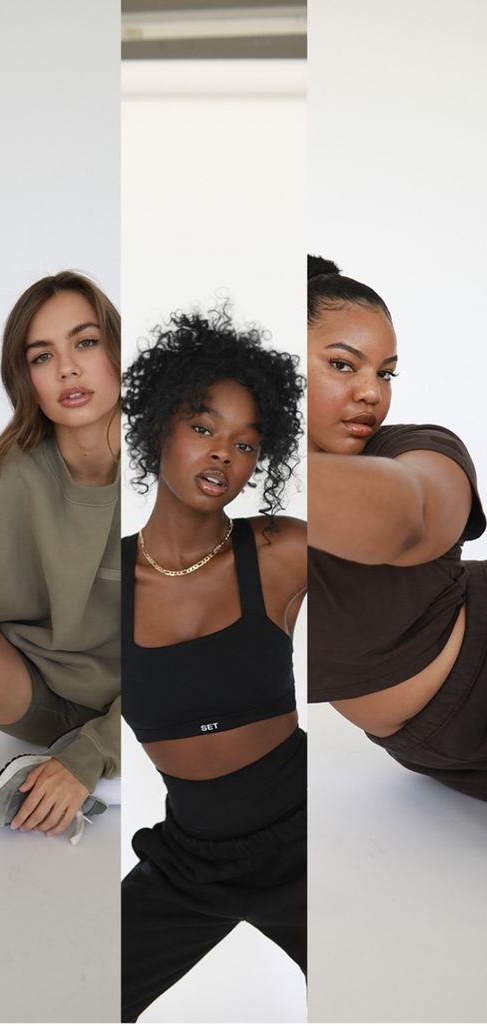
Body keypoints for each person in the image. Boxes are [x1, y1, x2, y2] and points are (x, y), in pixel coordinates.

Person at [120, 307, 307, 1022]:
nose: (224, 455)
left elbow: (399, 575)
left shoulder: (278, 553)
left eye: (247, 444)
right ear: (159, 426)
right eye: (204, 428)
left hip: (306, 840)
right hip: (190, 861)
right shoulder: (102, 586)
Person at [0, 270, 120, 839]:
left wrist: (88, 756)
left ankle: (110, 767)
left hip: (155, 707)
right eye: (42, 356)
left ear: (117, 349)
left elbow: (209, 650)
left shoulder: (177, 473)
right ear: (27, 379)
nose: (67, 368)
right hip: (35, 697)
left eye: (85, 343)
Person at [308, 255, 487, 801]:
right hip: (438, 750)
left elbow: (411, 520)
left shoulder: (414, 450)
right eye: (344, 365)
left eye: (384, 372)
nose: (371, 392)